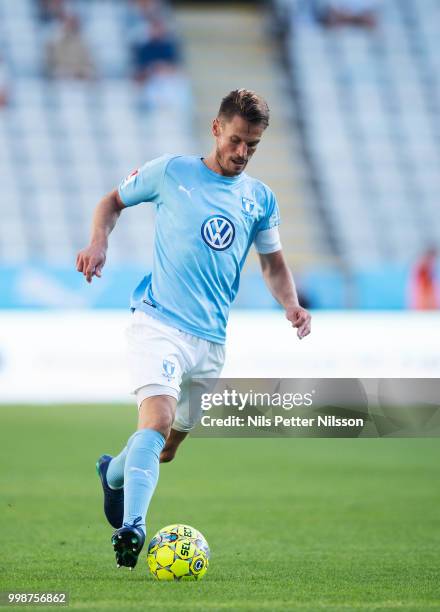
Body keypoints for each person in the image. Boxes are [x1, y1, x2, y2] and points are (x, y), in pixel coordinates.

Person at [76, 89, 312, 569]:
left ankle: (113, 473)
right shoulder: (172, 172)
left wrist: (290, 303)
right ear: (216, 129)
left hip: (211, 342)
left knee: (165, 446)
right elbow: (111, 202)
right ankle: (133, 526)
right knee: (156, 420)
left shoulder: (260, 198)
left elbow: (273, 264)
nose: (242, 153)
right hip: (158, 321)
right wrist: (98, 241)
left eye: (252, 145)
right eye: (236, 140)